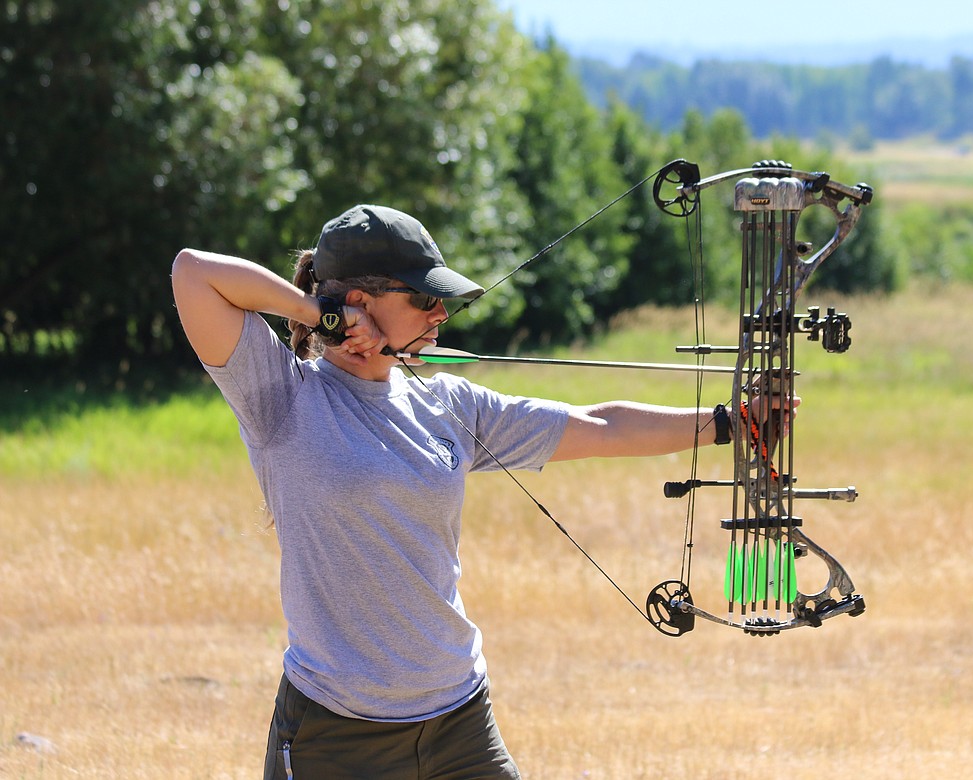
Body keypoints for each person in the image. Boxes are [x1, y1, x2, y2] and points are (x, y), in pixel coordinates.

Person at [171, 204, 790, 779]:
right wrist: (319, 317)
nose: (441, 314)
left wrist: (731, 421)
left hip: (459, 720)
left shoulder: (448, 401)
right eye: (424, 298)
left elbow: (600, 424)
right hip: (336, 733)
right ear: (358, 302)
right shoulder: (282, 396)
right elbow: (194, 273)